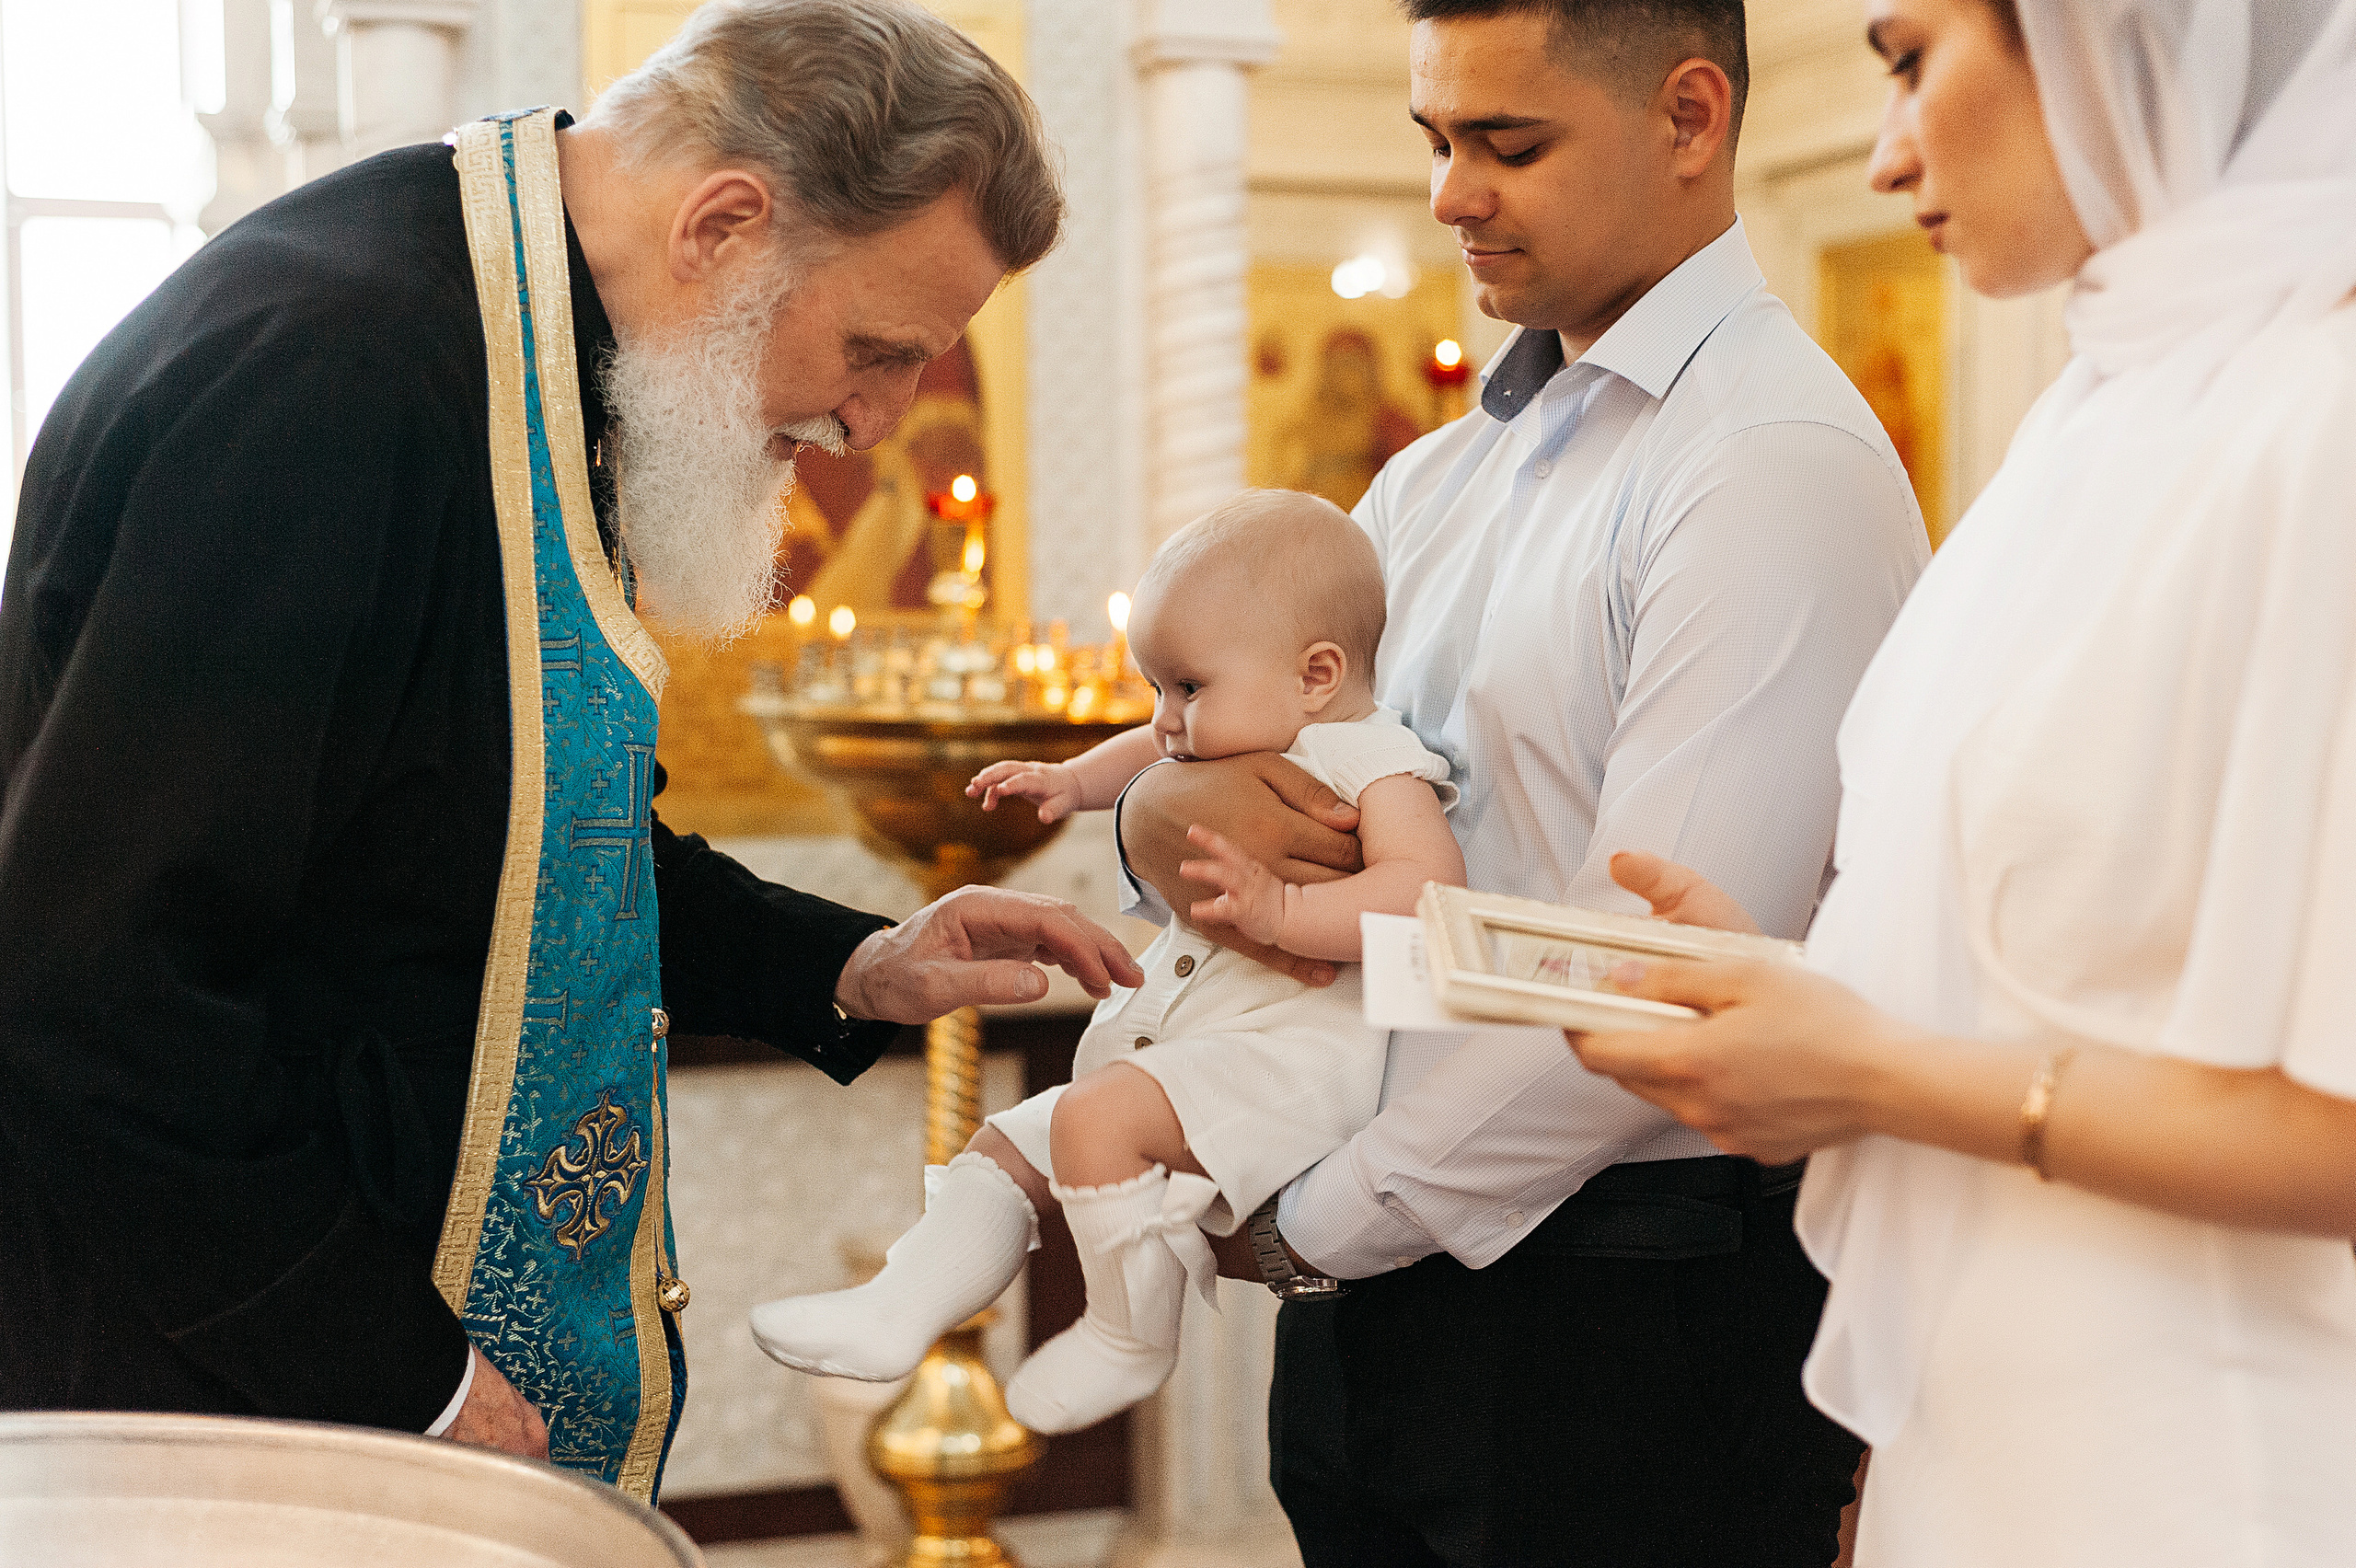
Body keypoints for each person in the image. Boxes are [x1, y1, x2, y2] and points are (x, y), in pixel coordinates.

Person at [0, 0, 1142, 1501]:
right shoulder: (333, 376)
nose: (878, 421)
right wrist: (400, 1373)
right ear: (724, 222)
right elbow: (95, 980)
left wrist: (852, 964)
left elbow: (524, 839)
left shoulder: (512, 337)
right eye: (879, 348)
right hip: (230, 1401)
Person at [1114, 3, 1928, 1562]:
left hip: (1633, 1305)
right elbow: (1304, 803)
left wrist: (1328, 1214)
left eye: (1507, 143)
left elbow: (1649, 968)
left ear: (1690, 117)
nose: (1449, 194)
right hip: (1398, 1288)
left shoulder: (1766, 459)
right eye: (1435, 139)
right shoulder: (1430, 481)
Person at [1572, 1, 2356, 1563]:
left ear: (2109, 35)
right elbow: (2060, 973)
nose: (1884, 151)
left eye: (1914, 57)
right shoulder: (2090, 420)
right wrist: (1792, 1000)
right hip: (1985, 1447)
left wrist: (1873, 1074)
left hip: (2216, 1469)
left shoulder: (2322, 422)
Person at [746, 490, 1463, 1435]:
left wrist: (1286, 908)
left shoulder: (1375, 759)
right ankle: (898, 1308)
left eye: (1188, 688)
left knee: (1094, 1121)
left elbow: (1426, 888)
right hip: (1209, 1044)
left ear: (1317, 673)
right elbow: (1148, 753)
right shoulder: (1250, 723)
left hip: (1296, 1061)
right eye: (1156, 688)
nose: (1165, 718)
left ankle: (1129, 1335)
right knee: (1002, 1148)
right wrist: (1073, 782)